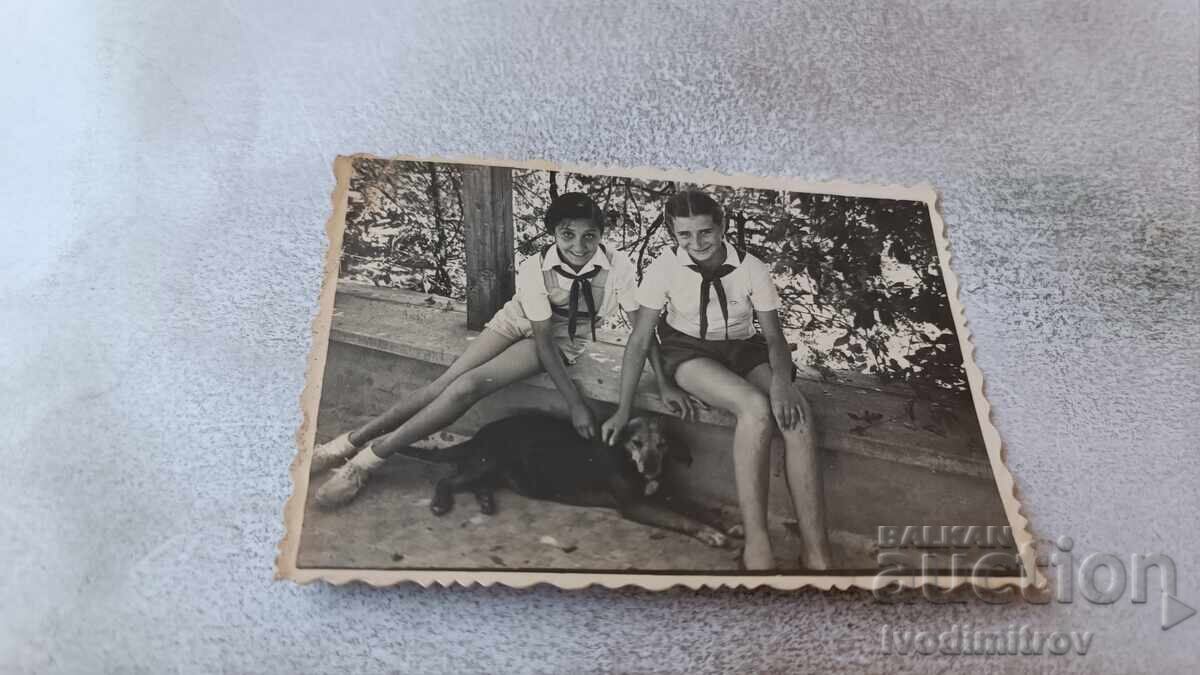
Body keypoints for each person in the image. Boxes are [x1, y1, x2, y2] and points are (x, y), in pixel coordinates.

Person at [312, 192, 672, 508]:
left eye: (589, 236)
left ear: (601, 235)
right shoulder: (535, 267)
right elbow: (538, 333)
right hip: (518, 321)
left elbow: (640, 333)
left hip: (562, 339)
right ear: (553, 233)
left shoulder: (618, 267)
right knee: (443, 385)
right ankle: (348, 443)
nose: (579, 246)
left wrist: (659, 386)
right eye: (567, 235)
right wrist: (575, 403)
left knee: (467, 388)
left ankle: (365, 463)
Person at [600, 190, 833, 571]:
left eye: (705, 232)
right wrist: (625, 408)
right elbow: (640, 340)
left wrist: (783, 384)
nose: (696, 243)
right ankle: (758, 545)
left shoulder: (751, 268)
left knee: (799, 416)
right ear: (673, 234)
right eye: (685, 235)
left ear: (722, 226)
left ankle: (817, 552)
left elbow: (774, 337)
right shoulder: (664, 269)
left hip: (743, 349)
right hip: (688, 351)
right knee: (755, 409)